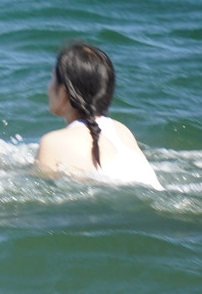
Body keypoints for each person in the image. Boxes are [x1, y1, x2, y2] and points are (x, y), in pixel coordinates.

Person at [35, 41, 162, 189]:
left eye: (52, 78)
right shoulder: (122, 130)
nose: (48, 86)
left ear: (64, 91)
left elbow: (39, 185)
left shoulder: (52, 142)